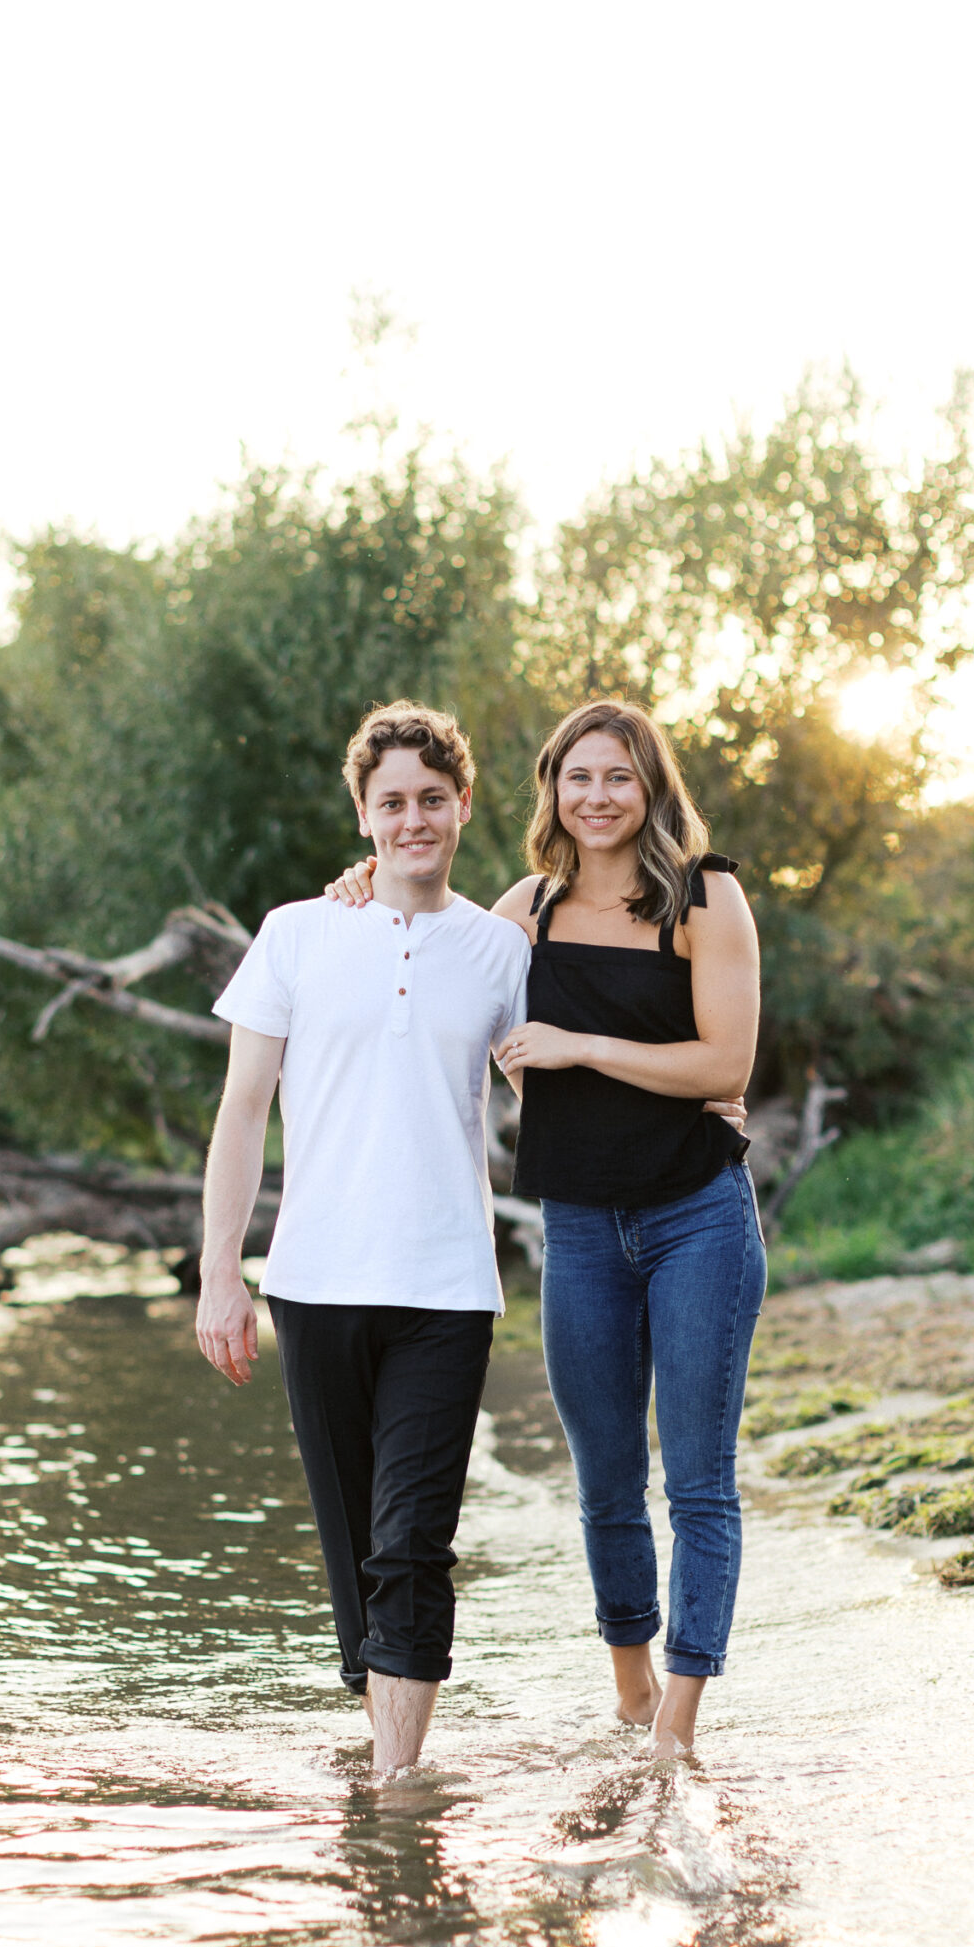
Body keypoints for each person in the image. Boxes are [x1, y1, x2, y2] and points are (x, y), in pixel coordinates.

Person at [327, 699, 764, 1759]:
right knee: (606, 1477)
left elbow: (726, 1068)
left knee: (697, 1477)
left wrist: (580, 1045)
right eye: (579, 778)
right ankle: (629, 1692)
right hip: (577, 1229)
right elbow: (427, 967)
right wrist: (358, 893)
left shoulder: (706, 897)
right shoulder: (524, 907)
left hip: (697, 1218)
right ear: (551, 793)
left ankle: (677, 1721)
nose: (599, 797)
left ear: (650, 786)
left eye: (618, 776)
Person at [196, 701, 530, 1775]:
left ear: (463, 806)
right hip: (316, 1280)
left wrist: (701, 1107)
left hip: (448, 1285)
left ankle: (395, 1796)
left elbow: (557, 1088)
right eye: (393, 802)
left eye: (433, 799)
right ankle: (386, 1747)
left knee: (411, 1541)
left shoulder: (498, 950)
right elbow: (244, 1108)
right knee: (354, 1553)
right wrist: (221, 1273)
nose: (414, 819)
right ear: (363, 813)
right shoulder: (297, 932)